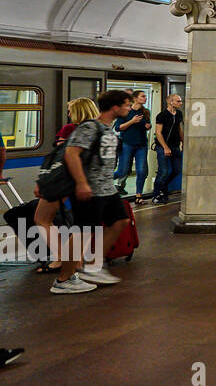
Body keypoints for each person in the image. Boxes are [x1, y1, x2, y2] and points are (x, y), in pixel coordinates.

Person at [63, 89, 133, 289]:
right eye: (127, 105)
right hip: (89, 189)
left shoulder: (107, 128)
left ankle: (94, 267)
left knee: (121, 221)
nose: (129, 108)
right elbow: (71, 154)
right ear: (115, 107)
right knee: (81, 234)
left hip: (107, 189)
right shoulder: (90, 128)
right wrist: (81, 182)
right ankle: (63, 279)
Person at [33, 97, 98, 291]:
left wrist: (43, 183)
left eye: (70, 110)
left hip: (62, 182)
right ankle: (74, 264)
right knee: (79, 226)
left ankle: (62, 260)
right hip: (81, 183)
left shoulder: (71, 130)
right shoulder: (97, 130)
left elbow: (58, 160)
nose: (68, 113)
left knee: (42, 219)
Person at [112, 90, 151, 203]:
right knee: (122, 171)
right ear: (135, 98)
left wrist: (147, 126)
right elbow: (118, 128)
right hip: (127, 144)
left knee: (142, 171)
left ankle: (139, 195)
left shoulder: (146, 112)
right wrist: (132, 121)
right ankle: (104, 181)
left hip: (142, 144)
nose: (145, 98)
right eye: (142, 96)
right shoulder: (125, 112)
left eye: (145, 96)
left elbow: (146, 124)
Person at [150, 93, 184, 204]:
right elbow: (158, 133)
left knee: (177, 170)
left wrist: (183, 141)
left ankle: (163, 187)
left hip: (175, 146)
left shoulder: (179, 114)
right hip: (162, 146)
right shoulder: (162, 115)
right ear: (171, 102)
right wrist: (165, 147)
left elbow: (179, 129)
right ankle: (156, 194)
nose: (181, 103)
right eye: (178, 101)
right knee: (163, 171)